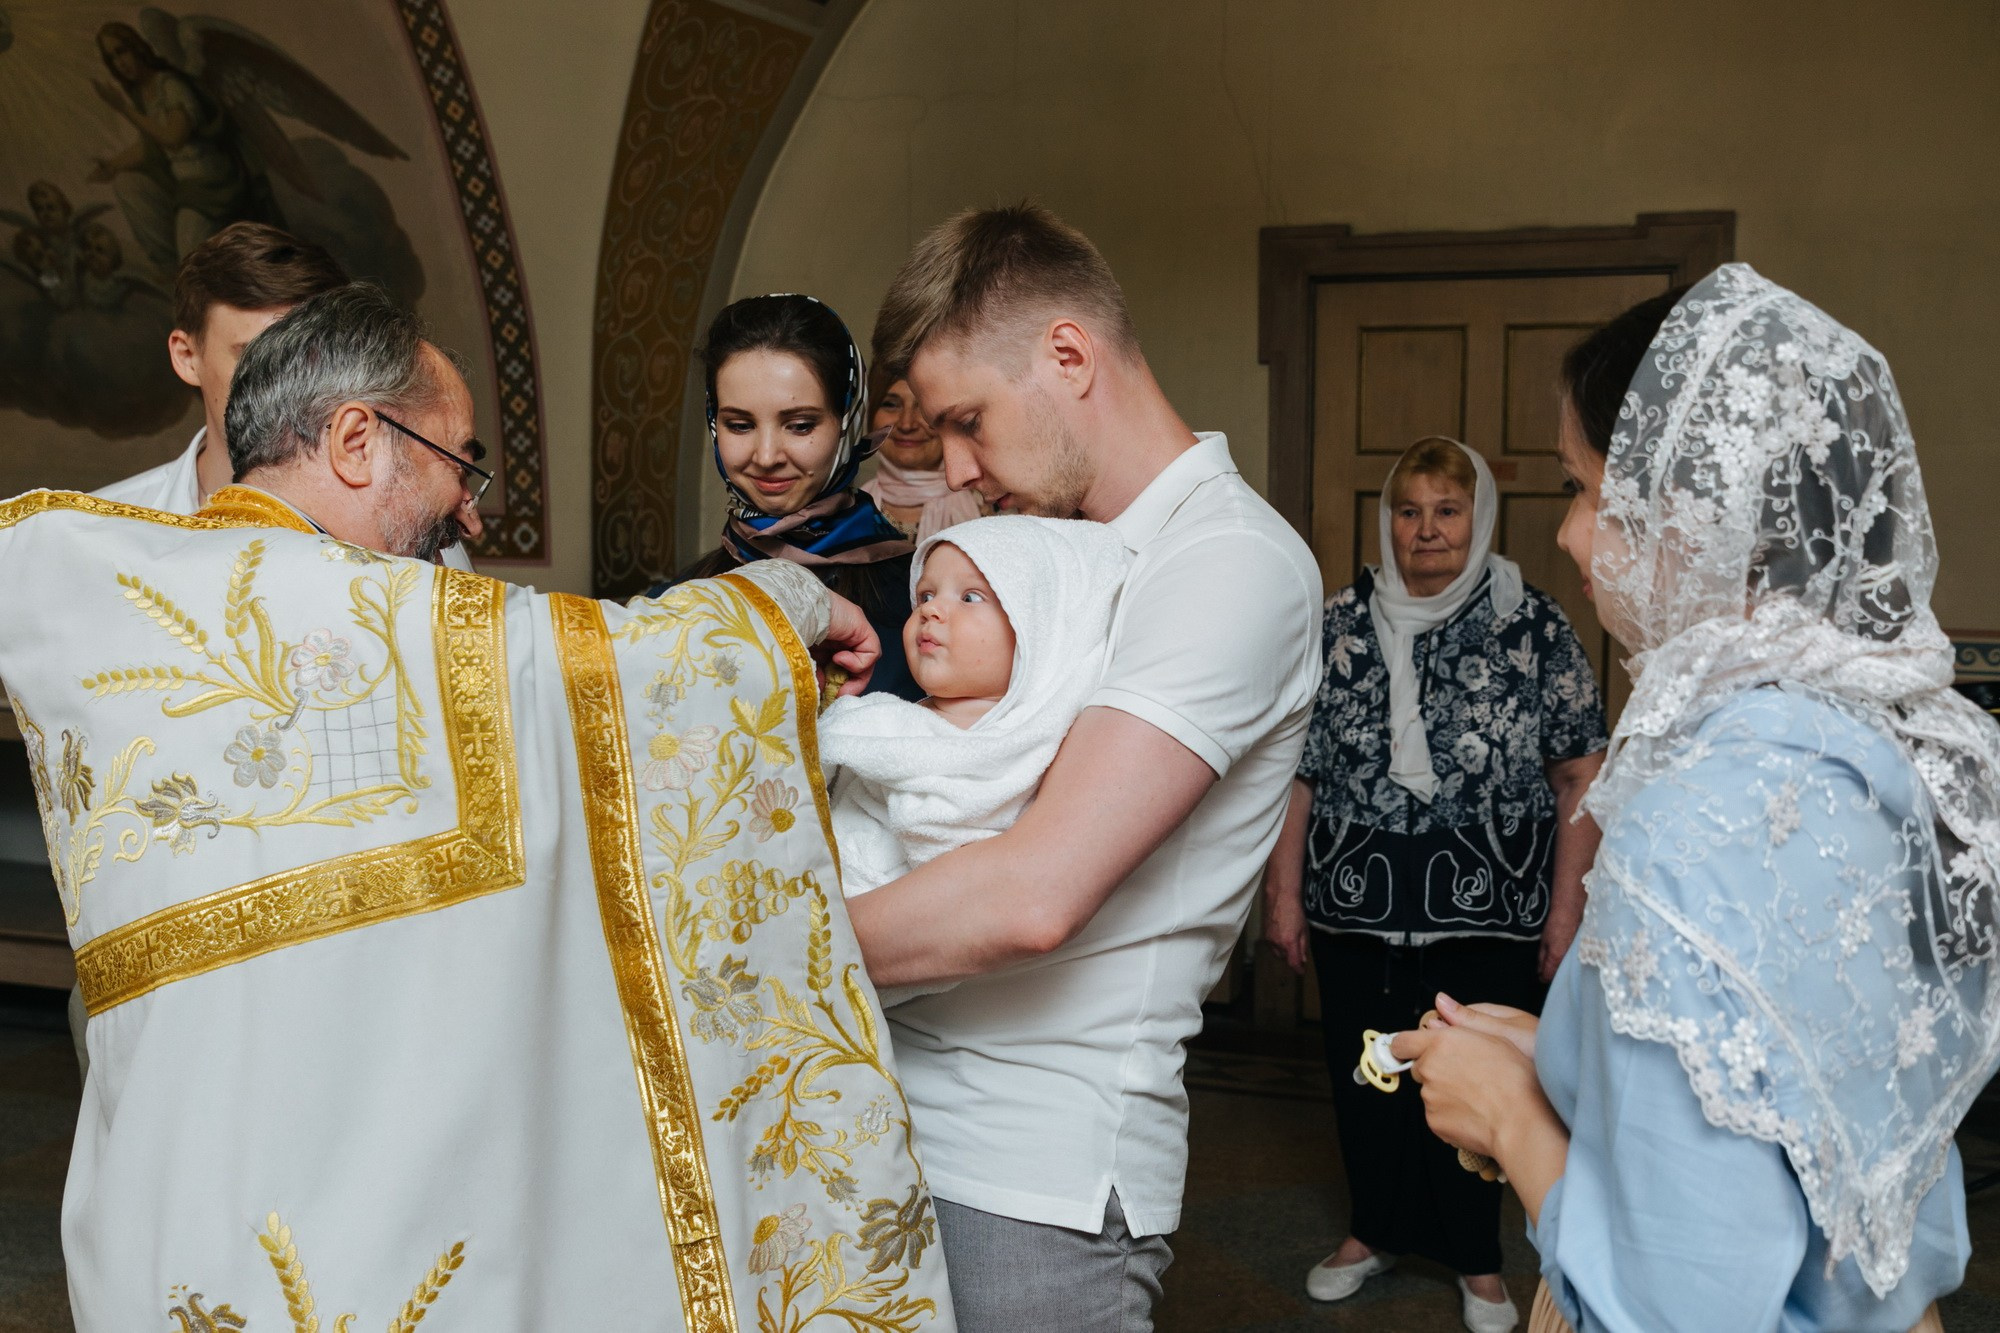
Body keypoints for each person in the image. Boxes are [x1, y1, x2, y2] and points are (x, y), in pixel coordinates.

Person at [0, 283, 957, 1329]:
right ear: (358, 439)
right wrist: (798, 599)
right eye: (459, 461)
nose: (472, 510)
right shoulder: (380, 629)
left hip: (163, 1204)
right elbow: (642, 669)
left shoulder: (99, 586)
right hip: (337, 1227)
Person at [1392, 265, 1994, 1332]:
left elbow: (1684, 1311)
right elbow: (1786, 1094)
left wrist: (1516, 1125)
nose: (1569, 535)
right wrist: (1571, 1059)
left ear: (1690, 513)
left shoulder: (1696, 819)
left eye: (1583, 491)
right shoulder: (1873, 746)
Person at [848, 203, 1323, 1331]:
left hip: (1035, 1165)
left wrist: (735, 947)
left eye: (967, 421)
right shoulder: (1048, 558)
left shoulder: (1229, 561)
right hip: (894, 1102)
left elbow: (1032, 895)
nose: (954, 467)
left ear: (1067, 355)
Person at [1260, 436, 1605, 1332]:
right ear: (1388, 519)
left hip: (1490, 918)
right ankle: (1370, 1231)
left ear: (1479, 516)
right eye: (1409, 511)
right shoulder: (1338, 624)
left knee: (1480, 1085)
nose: (1427, 530)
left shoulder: (1533, 625)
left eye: (1447, 511)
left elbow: (1580, 773)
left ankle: (1476, 1260)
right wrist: (1285, 895)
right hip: (1355, 911)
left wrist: (1566, 907)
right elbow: (1295, 773)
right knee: (1364, 1081)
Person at [823, 515, 1128, 902]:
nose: (930, 612)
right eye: (926, 595)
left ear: (1034, 628)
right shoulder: (874, 723)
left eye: (969, 597)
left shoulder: (1044, 745)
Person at [655, 293, 921, 699]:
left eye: (799, 425)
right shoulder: (679, 601)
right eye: (740, 425)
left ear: (847, 420)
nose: (765, 457)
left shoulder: (919, 602)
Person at [859, 363, 988, 542]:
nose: (906, 424)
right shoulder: (844, 516)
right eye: (890, 404)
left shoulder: (991, 513)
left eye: (923, 407)